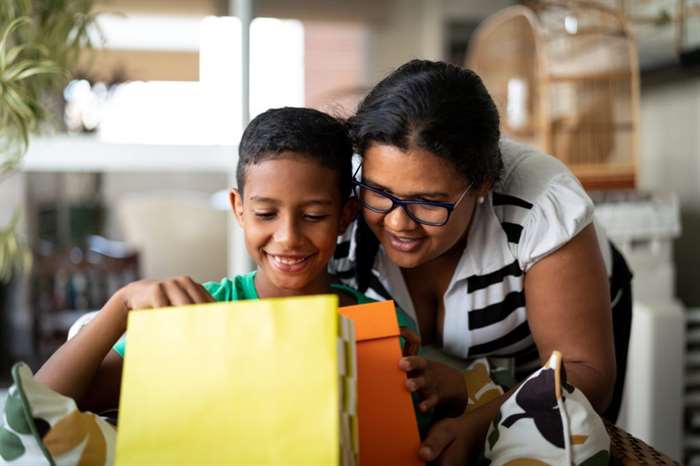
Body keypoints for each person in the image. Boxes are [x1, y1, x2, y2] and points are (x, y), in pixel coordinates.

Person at [330, 59, 633, 464]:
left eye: (429, 202)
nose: (399, 223)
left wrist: (483, 419)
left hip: (542, 367)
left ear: (483, 184)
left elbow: (585, 370)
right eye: (380, 193)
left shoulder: (541, 204)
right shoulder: (338, 203)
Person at [35, 107, 418, 414]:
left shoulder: (382, 326)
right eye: (266, 214)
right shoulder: (199, 312)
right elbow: (40, 410)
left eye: (314, 215)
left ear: (346, 216)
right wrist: (121, 303)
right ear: (238, 209)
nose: (287, 237)